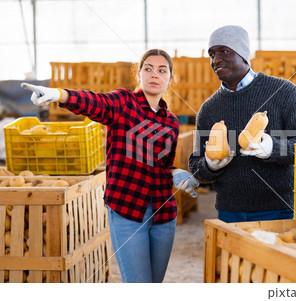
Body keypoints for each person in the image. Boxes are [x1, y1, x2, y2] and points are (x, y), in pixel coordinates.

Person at [22, 49, 199, 283]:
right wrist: (58, 94)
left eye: (162, 70)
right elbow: (93, 102)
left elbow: (163, 164)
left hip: (163, 214)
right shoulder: (123, 103)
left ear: (170, 79)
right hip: (127, 211)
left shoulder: (172, 122)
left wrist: (176, 172)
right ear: (139, 75)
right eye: (148, 69)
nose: (154, 74)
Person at [188, 25, 296, 223]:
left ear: (243, 54)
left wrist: (274, 148)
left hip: (279, 210)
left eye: (224, 51)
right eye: (212, 54)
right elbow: (196, 166)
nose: (216, 60)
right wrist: (209, 165)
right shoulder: (209, 109)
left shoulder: (283, 92)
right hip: (229, 213)